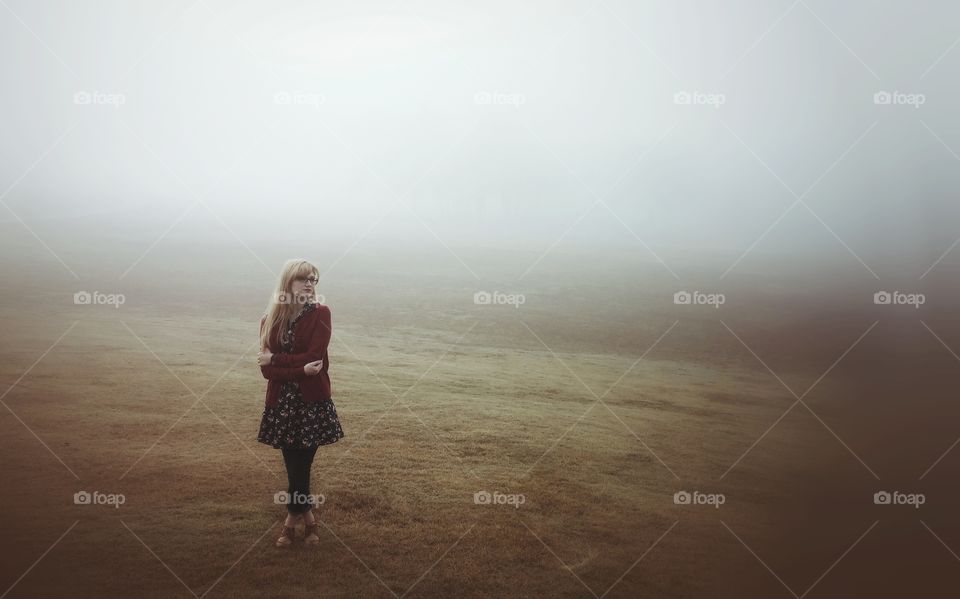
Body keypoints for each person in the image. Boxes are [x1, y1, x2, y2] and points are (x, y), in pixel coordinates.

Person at [256, 258, 345, 548]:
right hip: (281, 405)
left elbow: (314, 358)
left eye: (313, 279)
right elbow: (265, 370)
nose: (309, 284)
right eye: (303, 279)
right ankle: (309, 522)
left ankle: (289, 526)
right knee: (293, 465)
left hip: (312, 404)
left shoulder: (321, 314)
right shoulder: (269, 320)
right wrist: (296, 370)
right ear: (287, 283)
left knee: (301, 465)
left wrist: (278, 360)